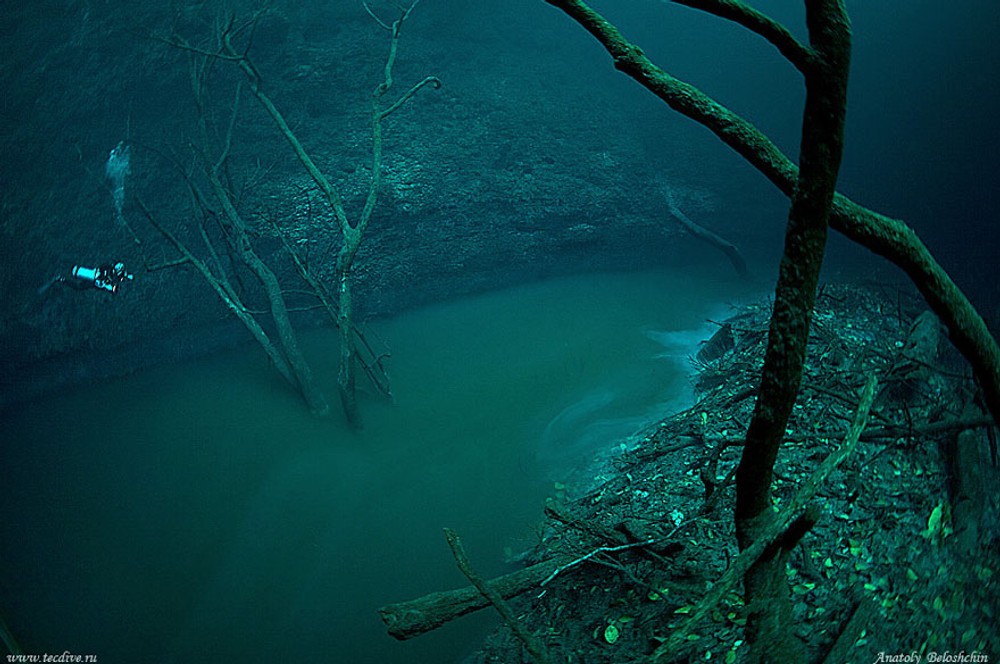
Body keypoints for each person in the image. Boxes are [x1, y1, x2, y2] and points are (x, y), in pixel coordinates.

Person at [38, 262, 134, 295]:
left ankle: (63, 278)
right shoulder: (107, 269)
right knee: (79, 286)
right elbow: (103, 283)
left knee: (79, 287)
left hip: (95, 280)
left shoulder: (113, 272)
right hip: (93, 279)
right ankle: (62, 279)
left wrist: (128, 276)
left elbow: (121, 277)